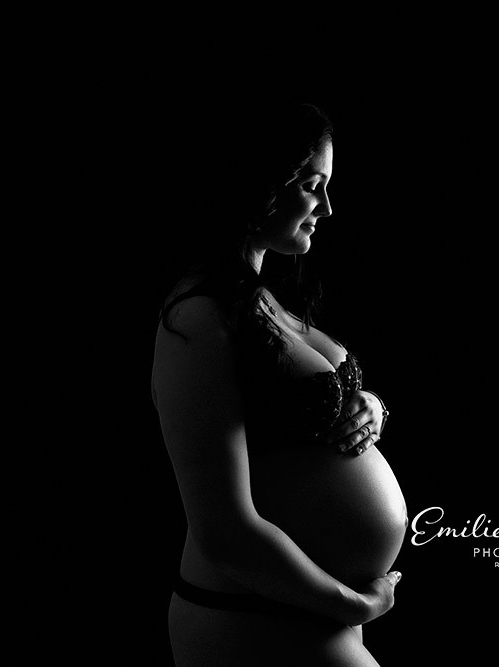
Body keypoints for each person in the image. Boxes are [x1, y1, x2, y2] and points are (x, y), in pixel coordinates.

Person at [151, 103, 406, 666]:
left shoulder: (260, 299)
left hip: (302, 615)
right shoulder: (198, 319)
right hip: (250, 618)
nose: (327, 207)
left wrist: (370, 406)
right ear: (259, 187)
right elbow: (224, 530)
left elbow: (291, 424)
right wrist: (355, 604)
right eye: (312, 186)